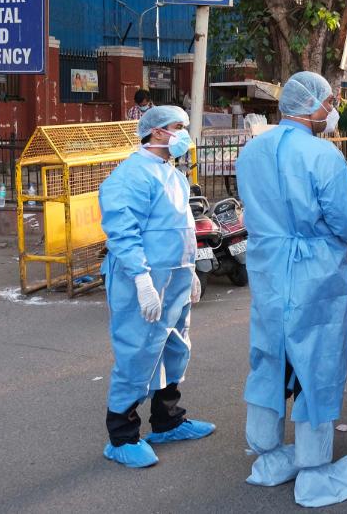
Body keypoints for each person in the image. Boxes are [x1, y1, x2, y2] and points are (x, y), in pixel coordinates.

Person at [236, 72, 347, 507]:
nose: (331, 111)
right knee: (317, 365)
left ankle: (269, 457)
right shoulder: (322, 156)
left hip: (269, 270)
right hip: (315, 274)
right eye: (329, 102)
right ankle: (314, 472)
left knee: (270, 358)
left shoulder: (250, 153)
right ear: (312, 105)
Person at [98, 105, 214, 468]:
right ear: (159, 132)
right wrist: (142, 280)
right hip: (144, 281)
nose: (184, 134)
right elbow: (122, 230)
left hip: (175, 279)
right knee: (137, 352)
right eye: (179, 127)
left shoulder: (172, 174)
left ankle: (167, 420)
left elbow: (181, 228)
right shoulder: (131, 175)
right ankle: (121, 435)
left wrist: (190, 270)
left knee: (174, 348)